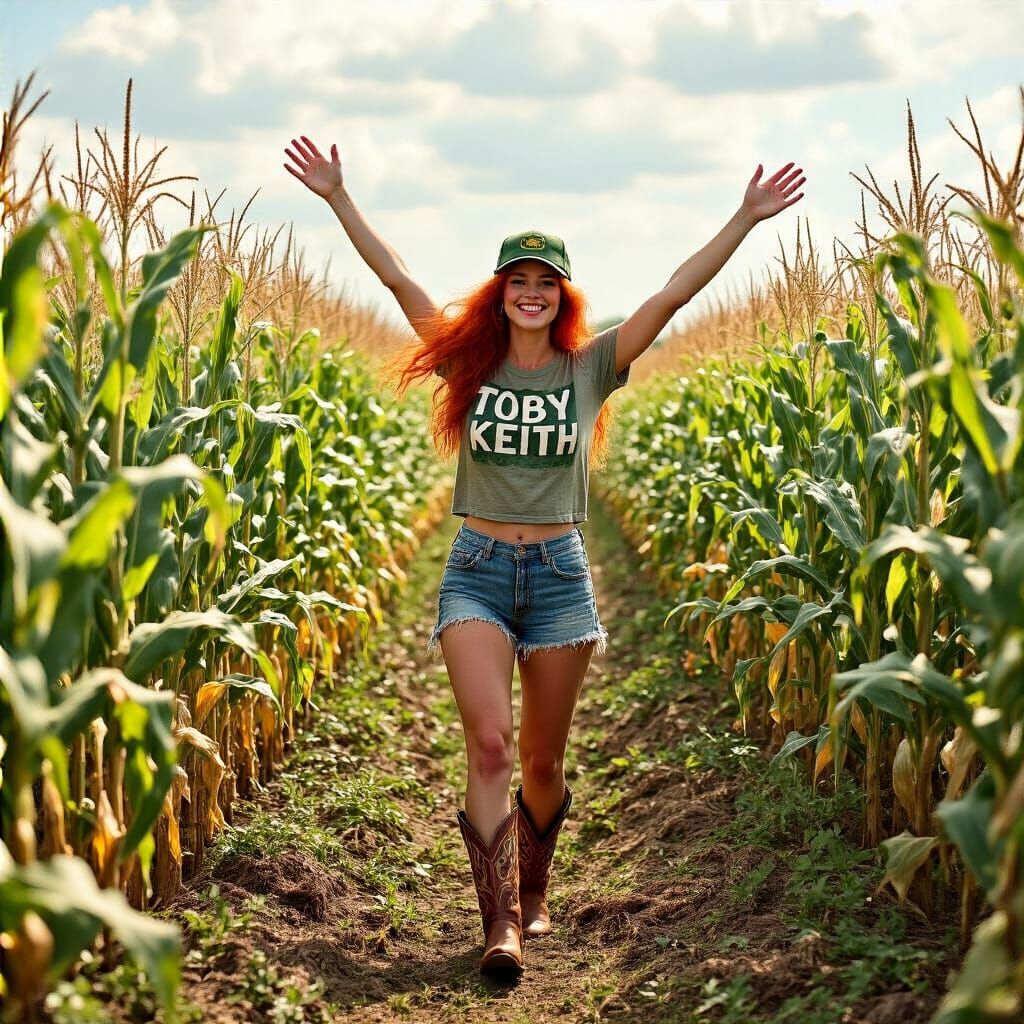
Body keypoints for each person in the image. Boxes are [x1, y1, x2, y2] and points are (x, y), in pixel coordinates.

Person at [284, 135, 805, 977]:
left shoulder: (591, 367)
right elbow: (397, 278)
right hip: (478, 570)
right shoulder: (468, 363)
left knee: (542, 762)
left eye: (545, 283)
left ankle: (533, 891)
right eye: (518, 281)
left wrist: (744, 218)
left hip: (560, 576)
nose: (531, 293)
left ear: (561, 297)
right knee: (489, 747)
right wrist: (339, 198)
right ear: (500, 294)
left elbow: (672, 294)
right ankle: (500, 929)